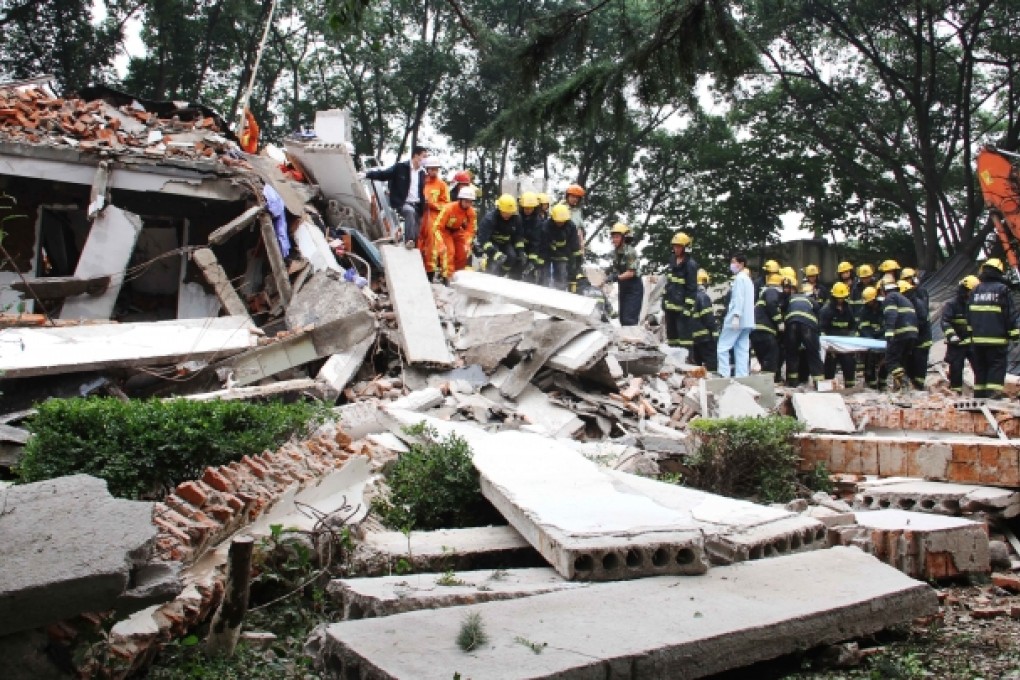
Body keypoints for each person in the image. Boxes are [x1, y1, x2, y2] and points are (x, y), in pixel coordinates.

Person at [967, 258, 1019, 398]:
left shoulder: (975, 290)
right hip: (997, 338)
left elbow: (969, 315)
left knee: (981, 367)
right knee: (996, 365)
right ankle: (993, 393)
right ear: (999, 272)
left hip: (977, 339)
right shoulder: (1002, 289)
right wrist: (1014, 334)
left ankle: (979, 394)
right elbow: (1010, 314)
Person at [364, 145, 428, 246]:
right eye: (424, 156)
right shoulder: (400, 167)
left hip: (417, 205)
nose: (425, 160)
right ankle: (408, 240)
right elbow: (384, 174)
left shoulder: (422, 173)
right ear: (416, 155)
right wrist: (367, 175)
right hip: (402, 203)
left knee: (416, 231)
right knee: (409, 212)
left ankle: (412, 246)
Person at [717, 252, 755, 377]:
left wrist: (736, 316)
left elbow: (739, 298)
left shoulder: (739, 279)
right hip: (748, 321)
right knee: (742, 349)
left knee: (723, 347)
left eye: (734, 262)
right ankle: (742, 376)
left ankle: (723, 374)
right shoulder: (748, 280)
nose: (732, 265)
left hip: (736, 319)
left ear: (741, 264)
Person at [662, 232, 699, 353]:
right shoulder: (672, 261)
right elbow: (669, 283)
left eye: (679, 246)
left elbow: (692, 288)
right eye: (674, 246)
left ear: (685, 247)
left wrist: (687, 308)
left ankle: (686, 362)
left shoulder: (690, 265)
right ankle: (674, 362)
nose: (676, 249)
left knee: (684, 339)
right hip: (670, 307)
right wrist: (664, 300)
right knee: (672, 338)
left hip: (682, 308)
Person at [881, 273, 918, 391]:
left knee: (890, 361)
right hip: (912, 335)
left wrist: (889, 332)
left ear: (883, 289)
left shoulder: (890, 297)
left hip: (901, 334)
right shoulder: (904, 299)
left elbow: (891, 314)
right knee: (900, 361)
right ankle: (899, 388)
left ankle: (905, 381)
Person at [941, 276, 977, 394]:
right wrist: (952, 335)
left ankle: (981, 393)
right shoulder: (952, 304)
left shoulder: (975, 303)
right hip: (957, 343)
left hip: (972, 342)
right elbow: (945, 321)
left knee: (979, 367)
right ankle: (956, 393)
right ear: (965, 289)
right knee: (956, 368)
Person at [433, 186, 477, 279]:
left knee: (463, 252)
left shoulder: (471, 212)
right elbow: (437, 227)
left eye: (470, 201)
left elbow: (471, 230)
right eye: (466, 201)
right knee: (449, 251)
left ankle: (457, 276)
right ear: (460, 200)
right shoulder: (449, 208)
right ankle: (446, 277)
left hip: (457, 231)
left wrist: (467, 243)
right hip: (444, 231)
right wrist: (440, 243)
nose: (468, 204)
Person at [785, 282, 823, 387]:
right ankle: (818, 381)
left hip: (791, 324)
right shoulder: (811, 300)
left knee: (792, 352)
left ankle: (792, 381)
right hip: (808, 326)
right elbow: (818, 315)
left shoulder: (792, 298)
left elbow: (784, 309)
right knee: (813, 353)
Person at [820, 282, 858, 387]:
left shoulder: (848, 309)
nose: (840, 300)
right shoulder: (826, 310)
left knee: (849, 363)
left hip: (845, 343)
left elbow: (853, 325)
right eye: (838, 298)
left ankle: (850, 386)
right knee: (829, 366)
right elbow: (822, 328)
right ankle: (828, 386)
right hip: (831, 344)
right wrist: (826, 344)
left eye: (843, 297)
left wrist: (852, 336)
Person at [606, 223, 644, 326]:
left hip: (633, 288)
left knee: (629, 318)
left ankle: (633, 339)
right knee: (622, 318)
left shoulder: (630, 252)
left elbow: (631, 273)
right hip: (623, 287)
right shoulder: (616, 252)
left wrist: (616, 277)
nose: (614, 240)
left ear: (624, 238)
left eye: (617, 237)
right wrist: (608, 276)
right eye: (613, 237)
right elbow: (615, 269)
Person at [475, 194, 522, 276]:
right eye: (505, 212)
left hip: (506, 243)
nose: (508, 215)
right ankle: (487, 273)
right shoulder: (490, 219)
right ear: (499, 209)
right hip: (491, 243)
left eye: (510, 212)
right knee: (495, 260)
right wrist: (494, 253)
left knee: (512, 257)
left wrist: (520, 251)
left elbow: (518, 236)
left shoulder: (516, 219)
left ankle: (500, 275)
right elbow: (483, 240)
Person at [535, 204, 580, 290]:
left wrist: (576, 258)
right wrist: (540, 261)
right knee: (544, 276)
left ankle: (560, 294)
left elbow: (574, 243)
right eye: (558, 221)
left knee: (562, 274)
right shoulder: (545, 226)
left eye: (562, 221)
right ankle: (541, 294)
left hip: (562, 253)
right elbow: (542, 245)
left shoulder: (571, 226)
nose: (560, 223)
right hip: (547, 254)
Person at [900, 268, 931, 389]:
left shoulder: (920, 293)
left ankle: (919, 385)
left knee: (920, 362)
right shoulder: (905, 296)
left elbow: (922, 317)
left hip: (922, 337)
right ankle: (912, 384)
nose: (908, 282)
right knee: (910, 362)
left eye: (909, 279)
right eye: (905, 279)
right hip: (911, 336)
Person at [419, 157, 449, 281]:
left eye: (436, 169)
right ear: (427, 169)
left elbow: (446, 205)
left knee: (432, 246)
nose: (434, 171)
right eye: (432, 169)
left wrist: (432, 204)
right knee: (418, 244)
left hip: (433, 218)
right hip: (420, 216)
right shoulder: (420, 182)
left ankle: (430, 273)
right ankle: (417, 269)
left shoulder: (442, 185)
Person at [751, 271, 784, 378]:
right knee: (772, 356)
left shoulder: (763, 294)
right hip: (765, 331)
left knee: (764, 360)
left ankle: (766, 381)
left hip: (756, 332)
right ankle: (769, 382)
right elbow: (771, 304)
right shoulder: (771, 291)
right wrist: (779, 322)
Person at [857, 286, 887, 389]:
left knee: (885, 360)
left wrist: (881, 337)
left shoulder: (884, 309)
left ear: (874, 300)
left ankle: (883, 382)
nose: (868, 303)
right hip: (870, 340)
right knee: (869, 359)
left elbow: (887, 326)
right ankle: (871, 383)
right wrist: (872, 341)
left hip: (882, 339)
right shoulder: (864, 311)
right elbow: (864, 329)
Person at [692, 269, 718, 371]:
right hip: (705, 337)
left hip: (693, 337)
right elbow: (708, 318)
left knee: (696, 364)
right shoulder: (703, 297)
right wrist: (714, 332)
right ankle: (713, 381)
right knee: (711, 361)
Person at [516, 192, 544, 282]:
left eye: (530, 208)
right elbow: (516, 235)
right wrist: (520, 252)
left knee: (529, 274)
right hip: (517, 248)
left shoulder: (538, 222)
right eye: (526, 208)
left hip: (531, 249)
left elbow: (536, 242)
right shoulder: (517, 218)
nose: (528, 210)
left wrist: (532, 261)